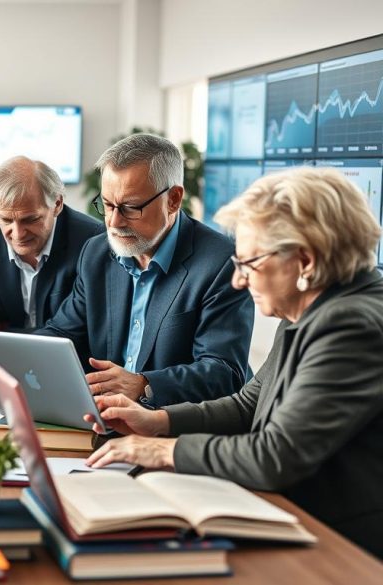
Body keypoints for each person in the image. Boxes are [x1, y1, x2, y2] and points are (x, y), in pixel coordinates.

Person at [84, 167, 383, 558]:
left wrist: (159, 451)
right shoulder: (313, 307)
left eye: (249, 264)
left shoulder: (349, 324)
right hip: (296, 518)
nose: (239, 281)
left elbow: (275, 456)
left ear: (305, 262)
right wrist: (158, 422)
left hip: (342, 547)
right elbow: (248, 405)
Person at [0, 134, 253, 407]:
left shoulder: (221, 263)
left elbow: (225, 372)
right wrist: (5, 366)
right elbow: (63, 333)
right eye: (107, 205)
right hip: (104, 418)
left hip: (175, 428)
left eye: (131, 208)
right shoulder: (97, 253)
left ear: (173, 199)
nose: (113, 222)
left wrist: (145, 384)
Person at [0, 156, 103, 375]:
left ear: (57, 204)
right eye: (6, 220)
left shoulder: (93, 241)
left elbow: (77, 332)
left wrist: (8, 334)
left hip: (73, 374)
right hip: (5, 372)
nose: (17, 234)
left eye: (30, 219)